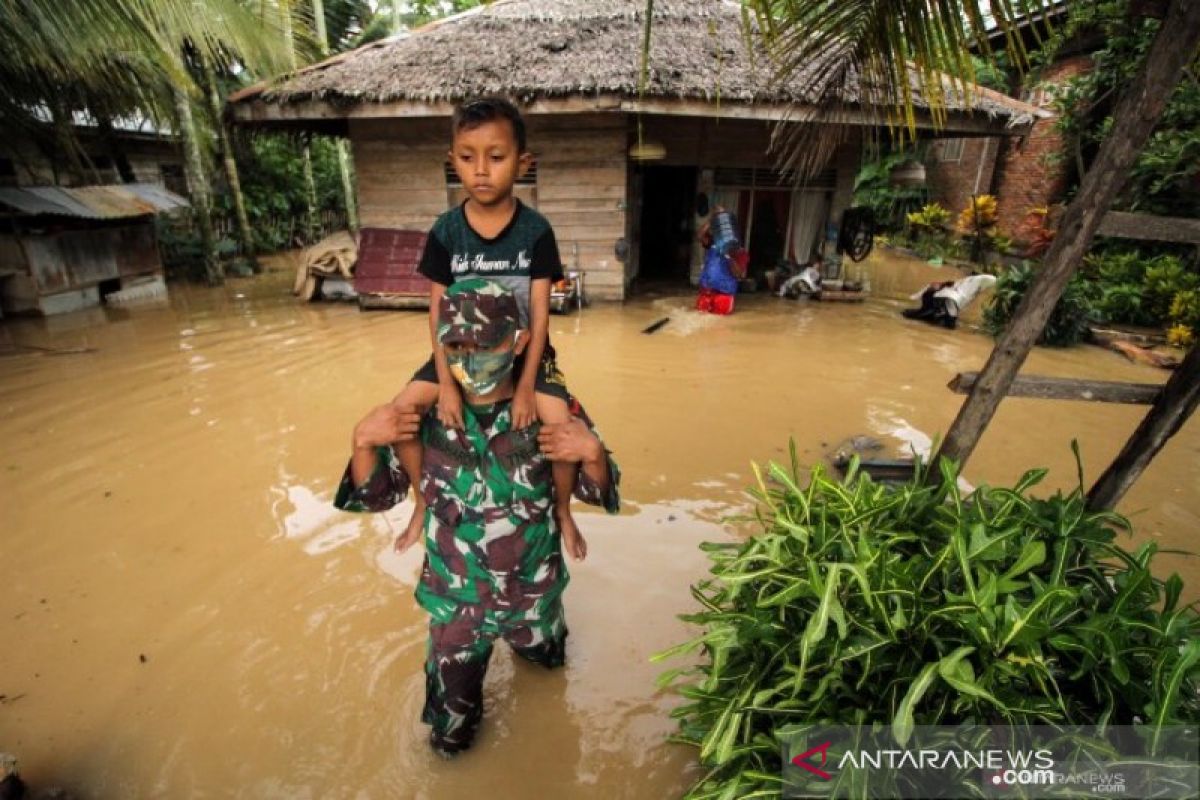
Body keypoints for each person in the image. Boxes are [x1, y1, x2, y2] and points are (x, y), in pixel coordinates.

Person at [335, 278, 620, 756]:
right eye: (456, 345)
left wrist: (593, 453)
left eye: (484, 344)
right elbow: (379, 496)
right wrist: (361, 440)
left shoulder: (550, 408)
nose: (469, 358)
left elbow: (597, 488)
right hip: (457, 605)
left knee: (550, 684)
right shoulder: (422, 414)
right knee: (450, 735)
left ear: (518, 341)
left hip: (535, 595)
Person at [390, 97, 588, 563]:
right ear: (452, 159)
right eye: (466, 157)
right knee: (402, 411)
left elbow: (539, 316)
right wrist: (446, 384)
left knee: (559, 420)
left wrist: (523, 388)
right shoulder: (446, 232)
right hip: (459, 354)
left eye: (496, 158)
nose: (481, 170)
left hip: (524, 352)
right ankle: (422, 500)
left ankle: (562, 509)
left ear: (522, 163)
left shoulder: (536, 231)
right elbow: (437, 314)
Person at [902, 273, 997, 329]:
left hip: (947, 300)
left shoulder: (965, 283)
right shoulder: (972, 282)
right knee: (950, 326)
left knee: (945, 322)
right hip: (950, 300)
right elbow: (993, 279)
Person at [695, 205, 743, 315]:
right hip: (706, 290)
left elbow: (739, 274)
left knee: (719, 324)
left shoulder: (736, 249)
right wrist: (712, 218)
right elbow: (699, 236)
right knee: (699, 316)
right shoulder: (712, 242)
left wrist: (729, 256)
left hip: (724, 293)